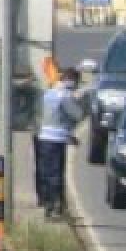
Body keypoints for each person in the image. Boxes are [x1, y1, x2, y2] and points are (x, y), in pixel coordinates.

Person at [35, 67, 84, 218]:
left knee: (44, 171)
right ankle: (56, 207)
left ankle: (46, 203)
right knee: (56, 174)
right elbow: (78, 114)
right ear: (73, 81)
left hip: (43, 137)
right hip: (57, 140)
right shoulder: (65, 95)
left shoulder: (48, 93)